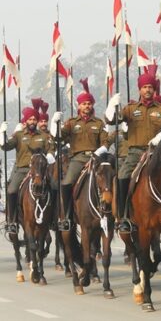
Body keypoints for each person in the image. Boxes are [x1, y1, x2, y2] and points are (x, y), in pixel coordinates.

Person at [105, 65, 161, 233]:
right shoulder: (130, 108)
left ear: (154, 89)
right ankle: (123, 216)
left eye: (150, 87)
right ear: (140, 89)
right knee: (122, 175)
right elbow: (114, 121)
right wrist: (113, 107)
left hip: (156, 152)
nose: (148, 90)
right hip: (135, 152)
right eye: (145, 87)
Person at [50, 79, 111, 231]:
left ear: (92, 105)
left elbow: (106, 142)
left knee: (110, 179)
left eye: (89, 104)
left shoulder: (99, 123)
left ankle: (113, 214)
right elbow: (59, 138)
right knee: (66, 183)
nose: (86, 106)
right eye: (84, 104)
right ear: (79, 106)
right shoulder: (71, 123)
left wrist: (98, 152)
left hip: (96, 159)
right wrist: (54, 124)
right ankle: (67, 217)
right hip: (77, 159)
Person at [0, 106, 55, 234]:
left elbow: (50, 147)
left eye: (34, 119)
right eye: (30, 119)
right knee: (11, 191)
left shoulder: (43, 136)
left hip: (40, 171)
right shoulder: (19, 135)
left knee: (54, 187)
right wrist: (3, 135)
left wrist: (50, 155)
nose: (32, 121)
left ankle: (53, 218)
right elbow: (7, 146)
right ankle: (12, 221)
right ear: (26, 121)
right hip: (23, 169)